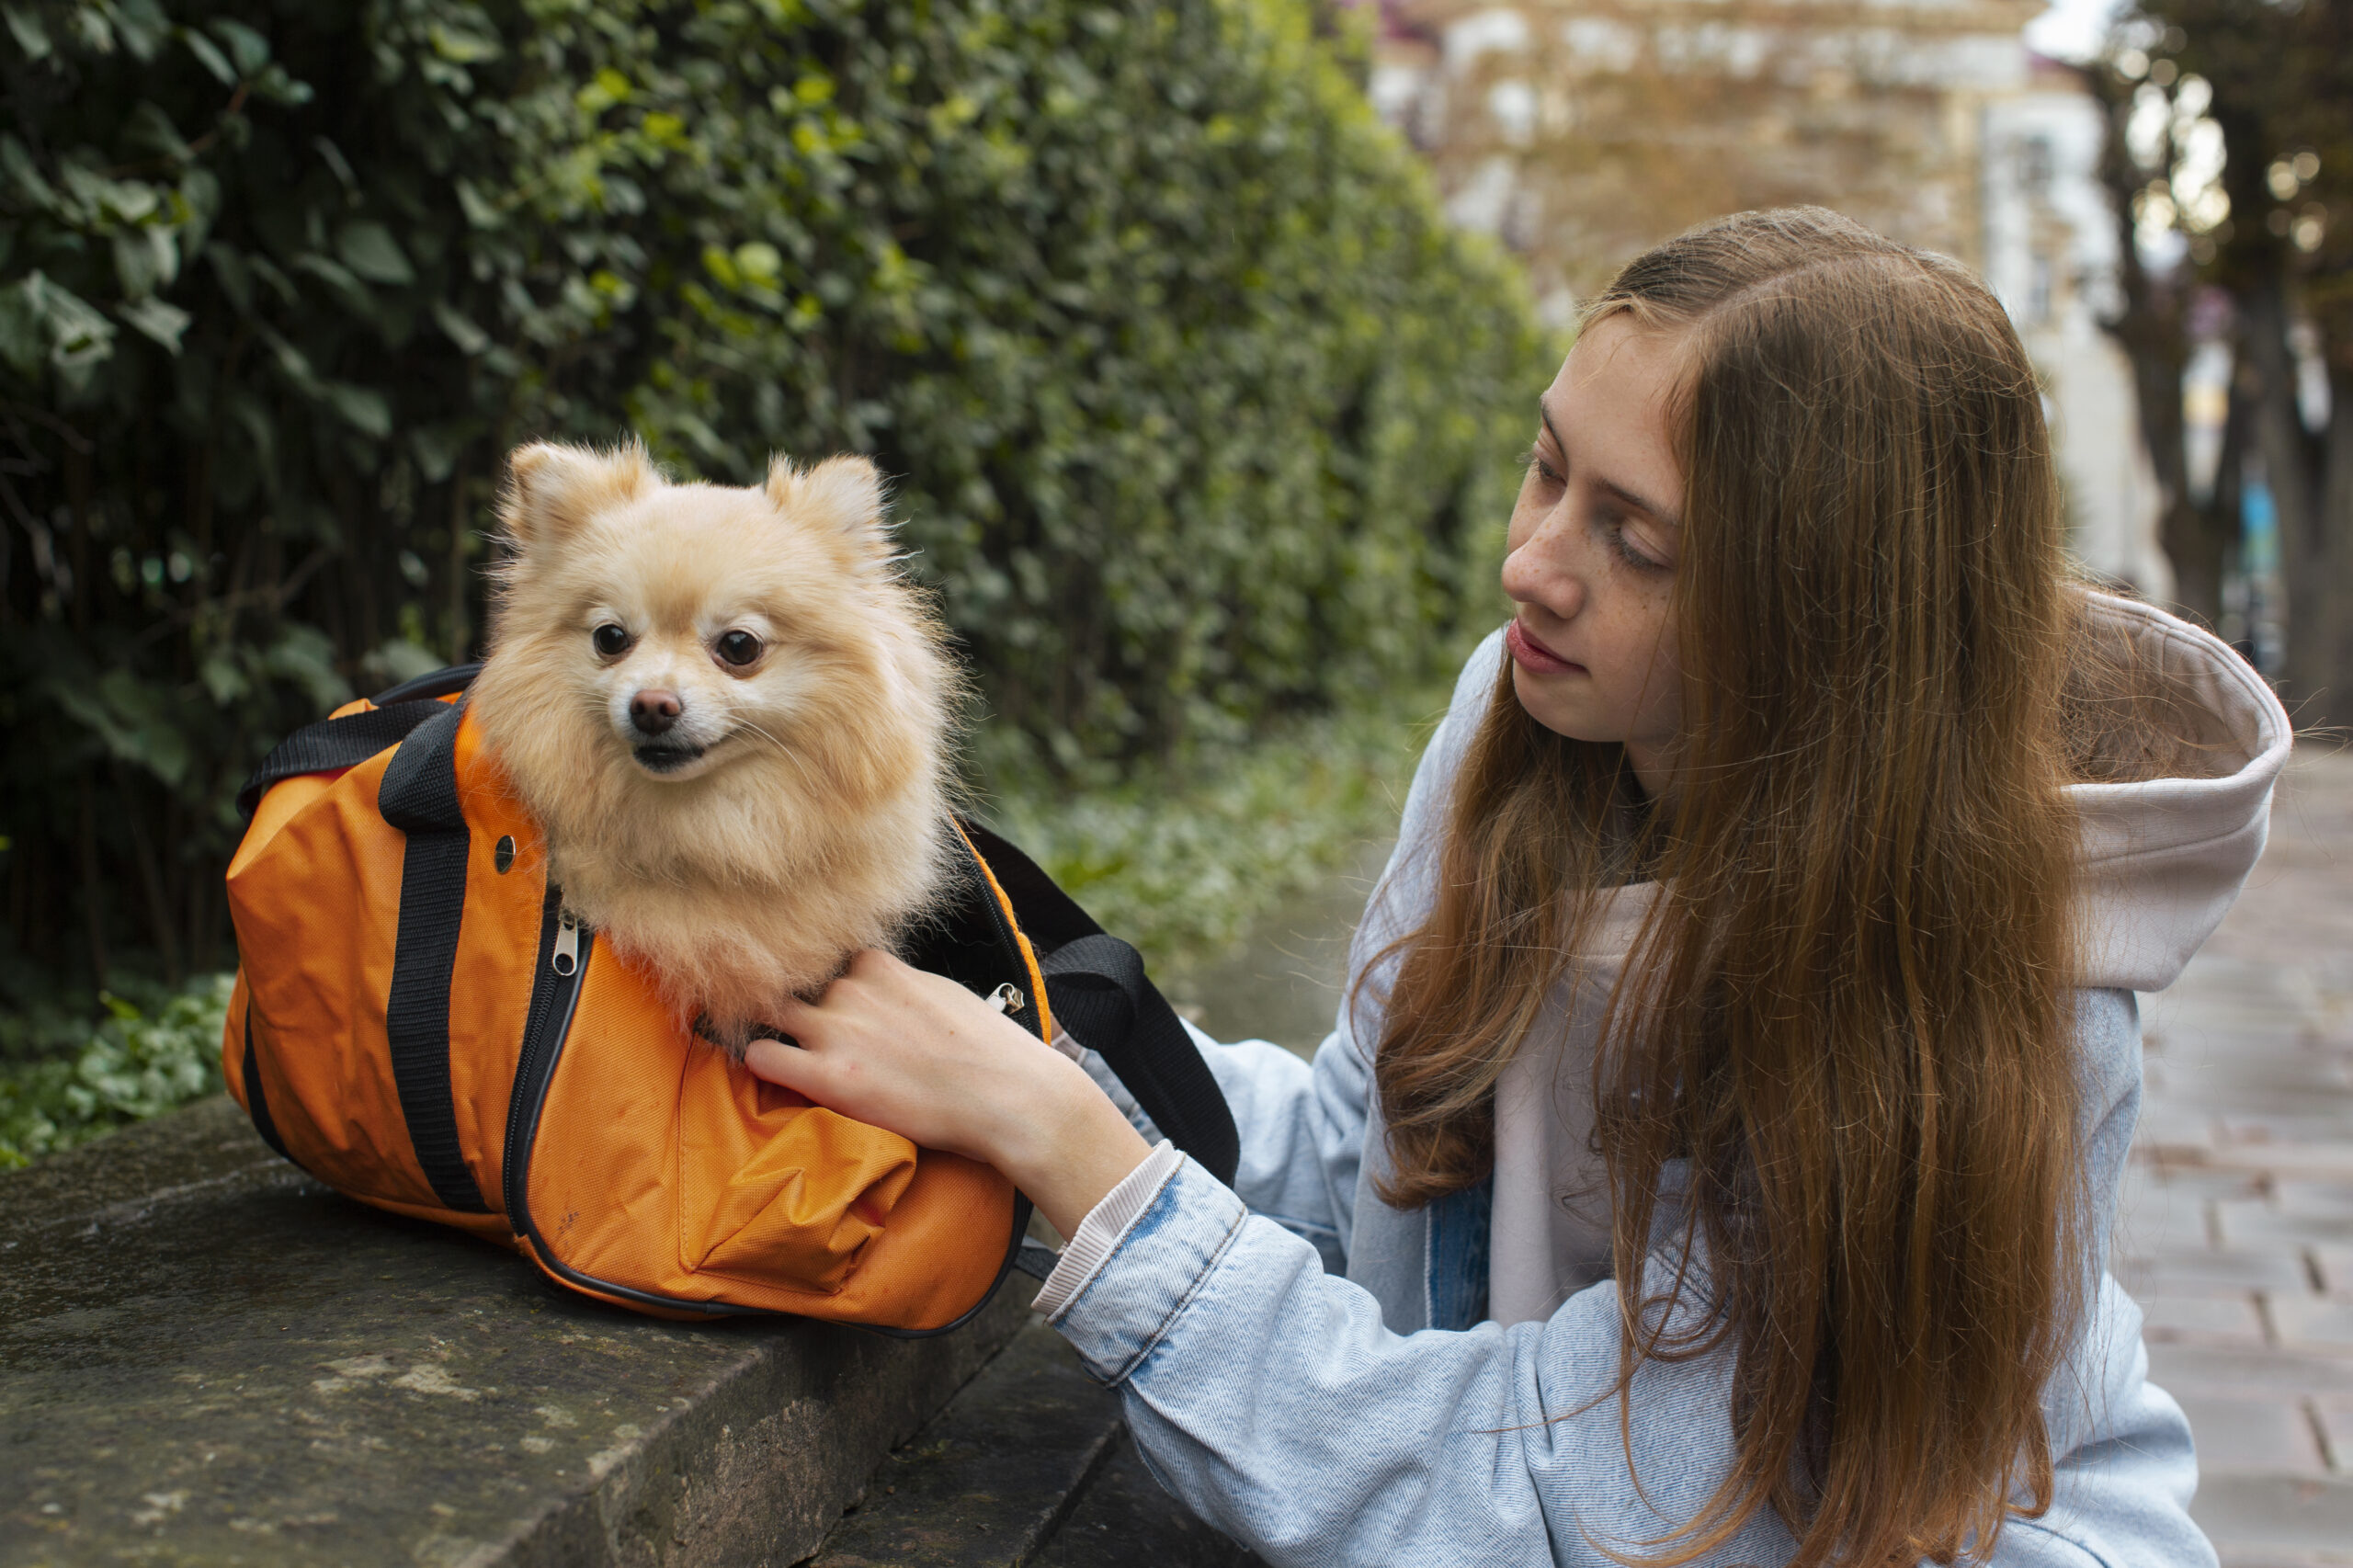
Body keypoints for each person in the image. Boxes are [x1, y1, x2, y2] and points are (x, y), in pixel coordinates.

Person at [745, 208, 2289, 1566]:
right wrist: (1027, 1044)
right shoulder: (1539, 723)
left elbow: (1581, 1509)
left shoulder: (1975, 976)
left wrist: (1075, 1155)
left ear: (1820, 619)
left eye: (1637, 539)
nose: (1534, 565)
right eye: (1549, 467)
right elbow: (1371, 1151)